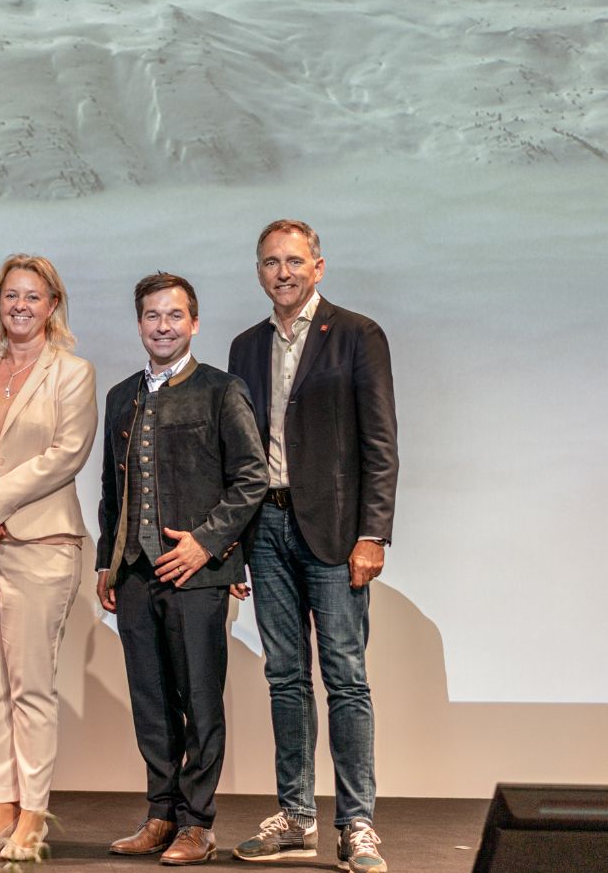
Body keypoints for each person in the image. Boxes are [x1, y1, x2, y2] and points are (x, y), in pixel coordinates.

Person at [227, 220, 398, 873]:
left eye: (295, 261)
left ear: (319, 267)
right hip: (265, 530)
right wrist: (237, 543)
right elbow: (240, 452)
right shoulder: (245, 346)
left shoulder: (357, 335)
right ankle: (296, 816)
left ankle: (357, 825)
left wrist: (372, 533)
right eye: (271, 262)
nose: (283, 272)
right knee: (284, 679)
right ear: (259, 271)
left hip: (335, 533)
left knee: (346, 679)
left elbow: (380, 442)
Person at [96, 273, 268, 865]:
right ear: (139, 323)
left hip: (198, 574)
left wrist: (207, 543)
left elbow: (252, 478)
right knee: (151, 698)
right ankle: (161, 813)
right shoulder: (122, 395)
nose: (162, 326)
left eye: (174, 316)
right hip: (137, 574)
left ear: (193, 323)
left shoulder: (223, 390)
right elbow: (110, 492)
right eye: (151, 316)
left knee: (200, 695)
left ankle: (199, 822)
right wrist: (107, 561)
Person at [0, 254, 97, 863]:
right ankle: (1, 805)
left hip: (40, 542)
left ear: (52, 305)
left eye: (32, 296)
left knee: (30, 684)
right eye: (9, 296)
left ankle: (33, 813)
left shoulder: (72, 373)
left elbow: (66, 453)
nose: (20, 306)